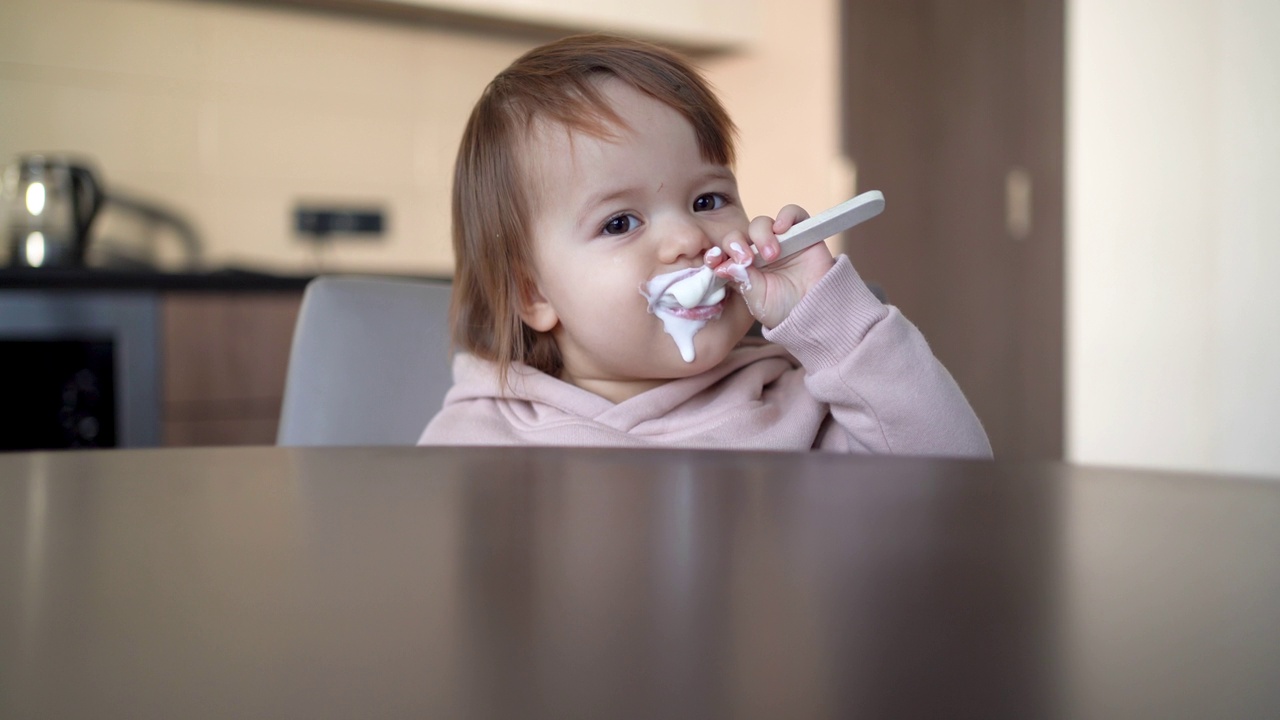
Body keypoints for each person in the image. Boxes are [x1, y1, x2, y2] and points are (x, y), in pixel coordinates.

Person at [418, 34, 991, 457]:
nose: (690, 238)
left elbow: (957, 474)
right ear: (532, 294)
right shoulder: (481, 439)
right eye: (620, 223)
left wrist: (833, 322)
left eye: (708, 201)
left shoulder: (798, 405)